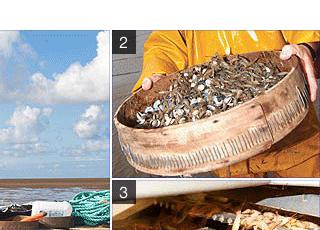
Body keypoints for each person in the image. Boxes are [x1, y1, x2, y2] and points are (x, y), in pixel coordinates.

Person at [135, 30, 320, 177]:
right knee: (241, 210)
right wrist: (157, 71)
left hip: (290, 128)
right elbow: (166, 40)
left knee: (311, 195)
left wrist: (306, 45)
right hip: (225, 143)